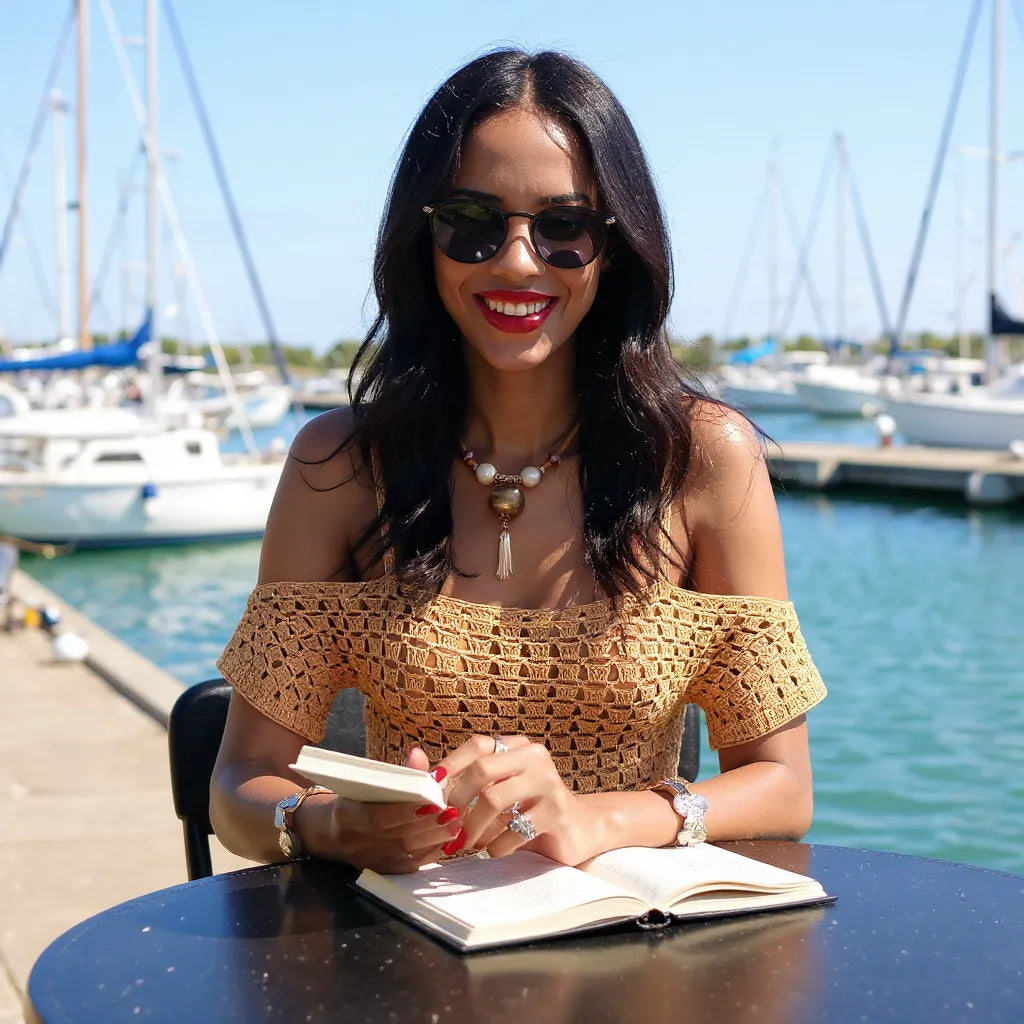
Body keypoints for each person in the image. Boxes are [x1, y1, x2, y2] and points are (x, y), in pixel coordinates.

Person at [210, 49, 826, 874]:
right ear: (422, 239)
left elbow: (784, 788)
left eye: (564, 225)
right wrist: (331, 826)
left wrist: (597, 821)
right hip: (401, 950)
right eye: (472, 220)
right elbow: (240, 780)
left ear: (616, 246)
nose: (517, 261)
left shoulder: (703, 459)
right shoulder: (340, 465)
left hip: (631, 948)